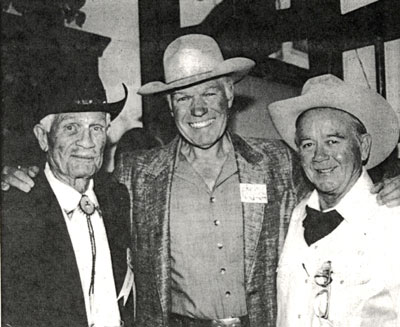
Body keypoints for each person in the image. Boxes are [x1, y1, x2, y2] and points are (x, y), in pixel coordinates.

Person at [3, 34, 400, 327]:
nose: (198, 109)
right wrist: (13, 173)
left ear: (229, 93)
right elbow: (69, 183)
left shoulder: (278, 162)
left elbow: (338, 181)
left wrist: (395, 184)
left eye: (209, 93)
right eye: (183, 98)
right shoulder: (136, 175)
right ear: (170, 106)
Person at [268, 74, 400, 326]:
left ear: (362, 145)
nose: (319, 156)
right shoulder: (295, 215)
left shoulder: (393, 219)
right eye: (308, 144)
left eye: (332, 141)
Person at [1, 82, 134, 327]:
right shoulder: (15, 208)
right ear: (43, 137)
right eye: (71, 128)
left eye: (96, 128)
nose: (87, 142)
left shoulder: (117, 197)